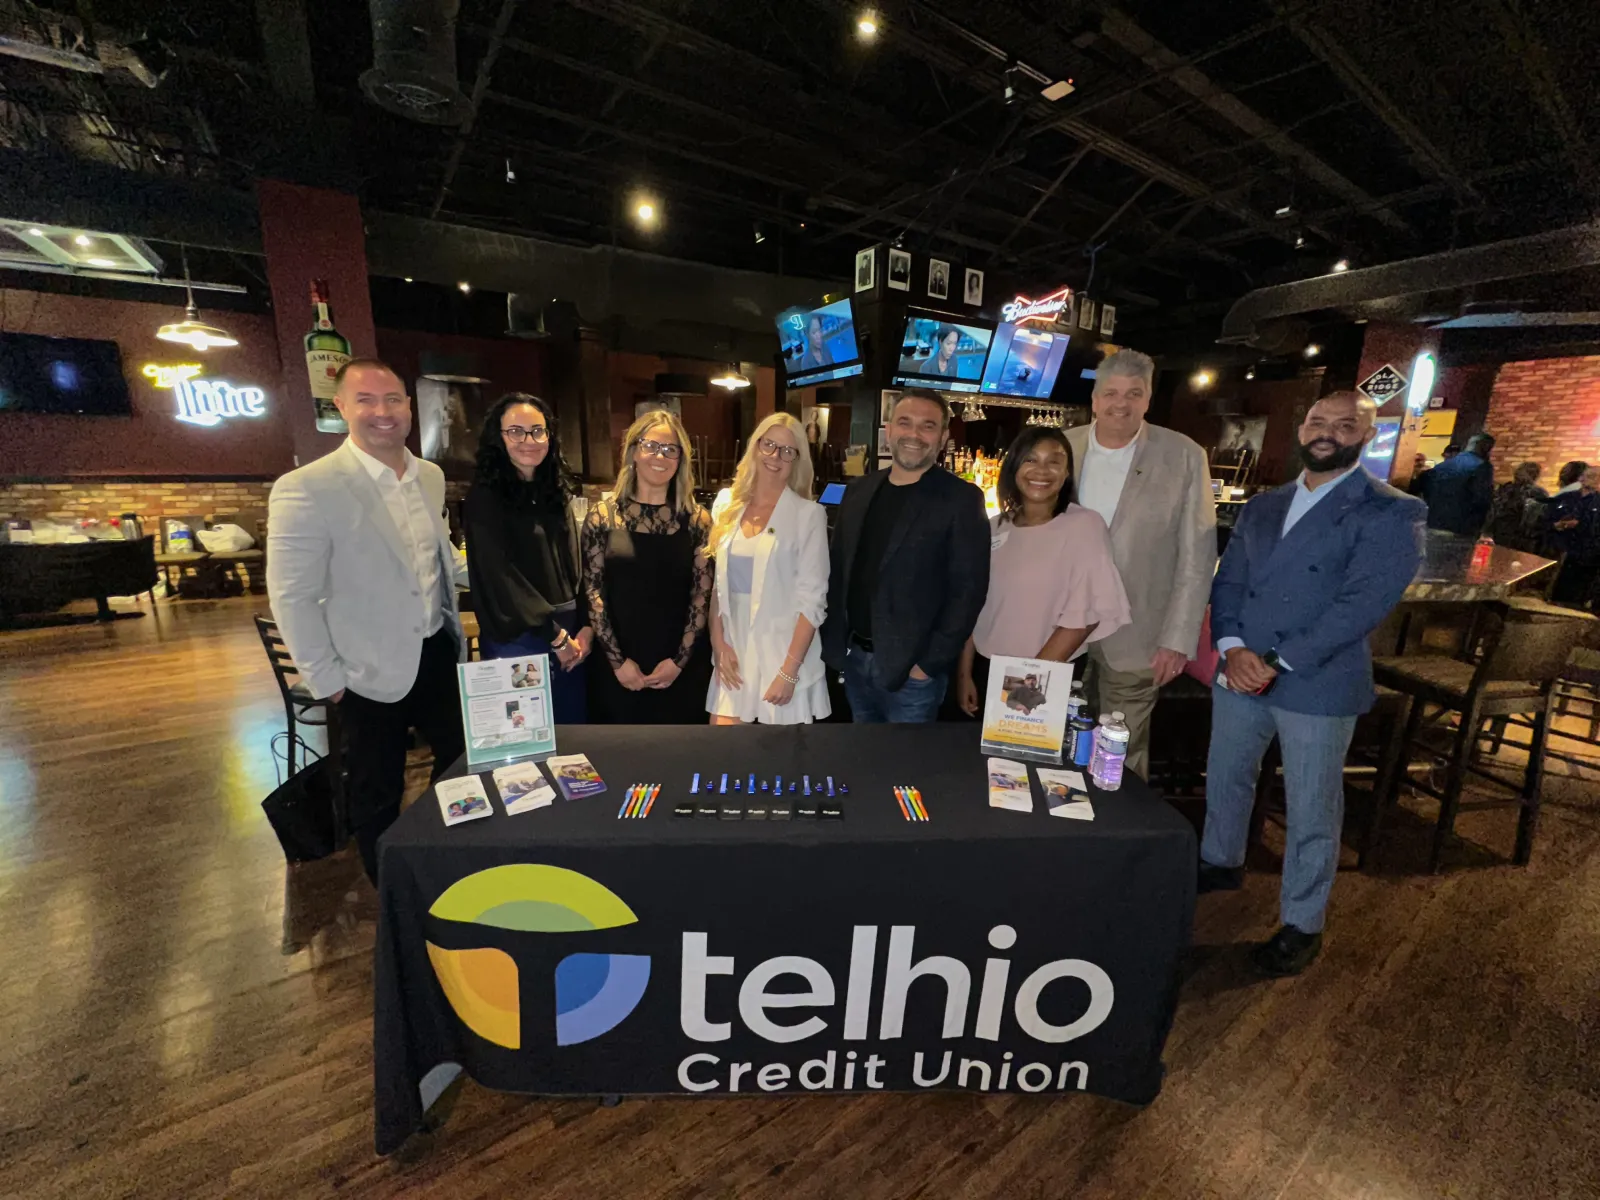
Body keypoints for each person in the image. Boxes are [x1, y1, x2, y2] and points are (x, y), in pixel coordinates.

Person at [1199, 390, 1425, 977]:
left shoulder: (1391, 510)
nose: (1328, 432)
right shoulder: (1264, 504)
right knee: (1225, 775)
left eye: (1345, 425)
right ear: (1301, 427)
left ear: (1367, 436)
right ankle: (1220, 860)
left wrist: (1274, 660)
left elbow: (1361, 606)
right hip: (1241, 668)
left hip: (1317, 681)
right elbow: (1229, 583)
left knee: (1311, 806)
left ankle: (1303, 922)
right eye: (1318, 420)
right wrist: (1230, 647)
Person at [266, 358, 466, 883]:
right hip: (364, 670)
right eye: (366, 400)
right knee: (376, 787)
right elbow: (292, 595)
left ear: (407, 406)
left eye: (393, 399)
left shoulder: (430, 476)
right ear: (341, 408)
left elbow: (437, 558)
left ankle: (446, 864)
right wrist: (326, 678)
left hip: (437, 651)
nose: (383, 412)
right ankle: (393, 888)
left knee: (458, 766)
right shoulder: (307, 486)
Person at [1064, 348, 1216, 779]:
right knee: (1057, 740)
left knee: (1120, 754)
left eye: (1135, 393)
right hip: (1060, 628)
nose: (1121, 404)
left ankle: (1116, 840)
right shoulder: (1062, 448)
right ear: (1094, 399)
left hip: (1139, 632)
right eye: (1111, 393)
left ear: (1148, 399)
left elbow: (1198, 555)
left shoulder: (1185, 455)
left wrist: (1178, 638)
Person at [822, 389, 989, 722]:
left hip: (913, 675)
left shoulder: (961, 499)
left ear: (942, 438)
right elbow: (839, 571)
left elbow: (968, 593)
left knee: (907, 769)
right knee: (862, 758)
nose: (914, 434)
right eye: (905, 422)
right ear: (889, 430)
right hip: (854, 660)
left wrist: (926, 666)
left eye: (928, 426)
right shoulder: (859, 490)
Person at [956, 426, 1131, 716]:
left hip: (1046, 673)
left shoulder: (1084, 525)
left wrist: (1026, 685)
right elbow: (971, 605)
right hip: (986, 667)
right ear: (1013, 468)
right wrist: (964, 675)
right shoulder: (994, 527)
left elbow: (1082, 618)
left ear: (1066, 473)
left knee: (1027, 760)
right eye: (1031, 459)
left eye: (1054, 461)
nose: (1042, 470)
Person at [464, 392, 592, 725]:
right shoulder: (485, 497)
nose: (529, 440)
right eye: (516, 432)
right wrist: (556, 636)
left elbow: (575, 566)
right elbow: (500, 576)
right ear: (498, 438)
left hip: (569, 634)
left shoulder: (554, 492)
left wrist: (584, 629)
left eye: (538, 430)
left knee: (572, 738)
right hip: (522, 635)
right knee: (526, 742)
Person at [582, 409, 713, 723]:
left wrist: (679, 661)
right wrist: (617, 662)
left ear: (680, 459)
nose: (660, 456)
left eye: (670, 449)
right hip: (617, 665)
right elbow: (593, 592)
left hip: (680, 666)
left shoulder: (698, 520)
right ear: (633, 452)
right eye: (651, 445)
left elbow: (701, 597)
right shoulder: (602, 515)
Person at [706, 414, 831, 724]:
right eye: (769, 445)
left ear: (797, 460)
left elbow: (813, 601)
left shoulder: (808, 515)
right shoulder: (726, 505)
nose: (776, 456)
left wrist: (789, 672)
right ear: (755, 446)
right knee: (723, 758)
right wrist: (719, 644)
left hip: (783, 656)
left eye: (787, 451)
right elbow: (719, 590)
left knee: (777, 766)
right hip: (733, 654)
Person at [1545, 465, 1600, 608]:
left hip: (1585, 557)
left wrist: (1580, 526)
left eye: (1593, 476)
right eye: (1587, 475)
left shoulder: (1597, 502)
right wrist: (1556, 525)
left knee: (1574, 598)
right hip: (1559, 552)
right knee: (1552, 593)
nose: (1587, 479)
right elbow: (1545, 519)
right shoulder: (1566, 498)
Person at [1420, 433, 1494, 536]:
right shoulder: (1481, 466)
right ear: (1486, 447)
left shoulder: (1442, 466)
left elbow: (1425, 489)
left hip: (1432, 523)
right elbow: (1481, 499)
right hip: (1460, 527)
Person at [1484, 461, 1547, 551]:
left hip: (1500, 535)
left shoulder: (1504, 489)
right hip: (1524, 539)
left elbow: (1492, 513)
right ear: (1535, 476)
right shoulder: (1538, 493)